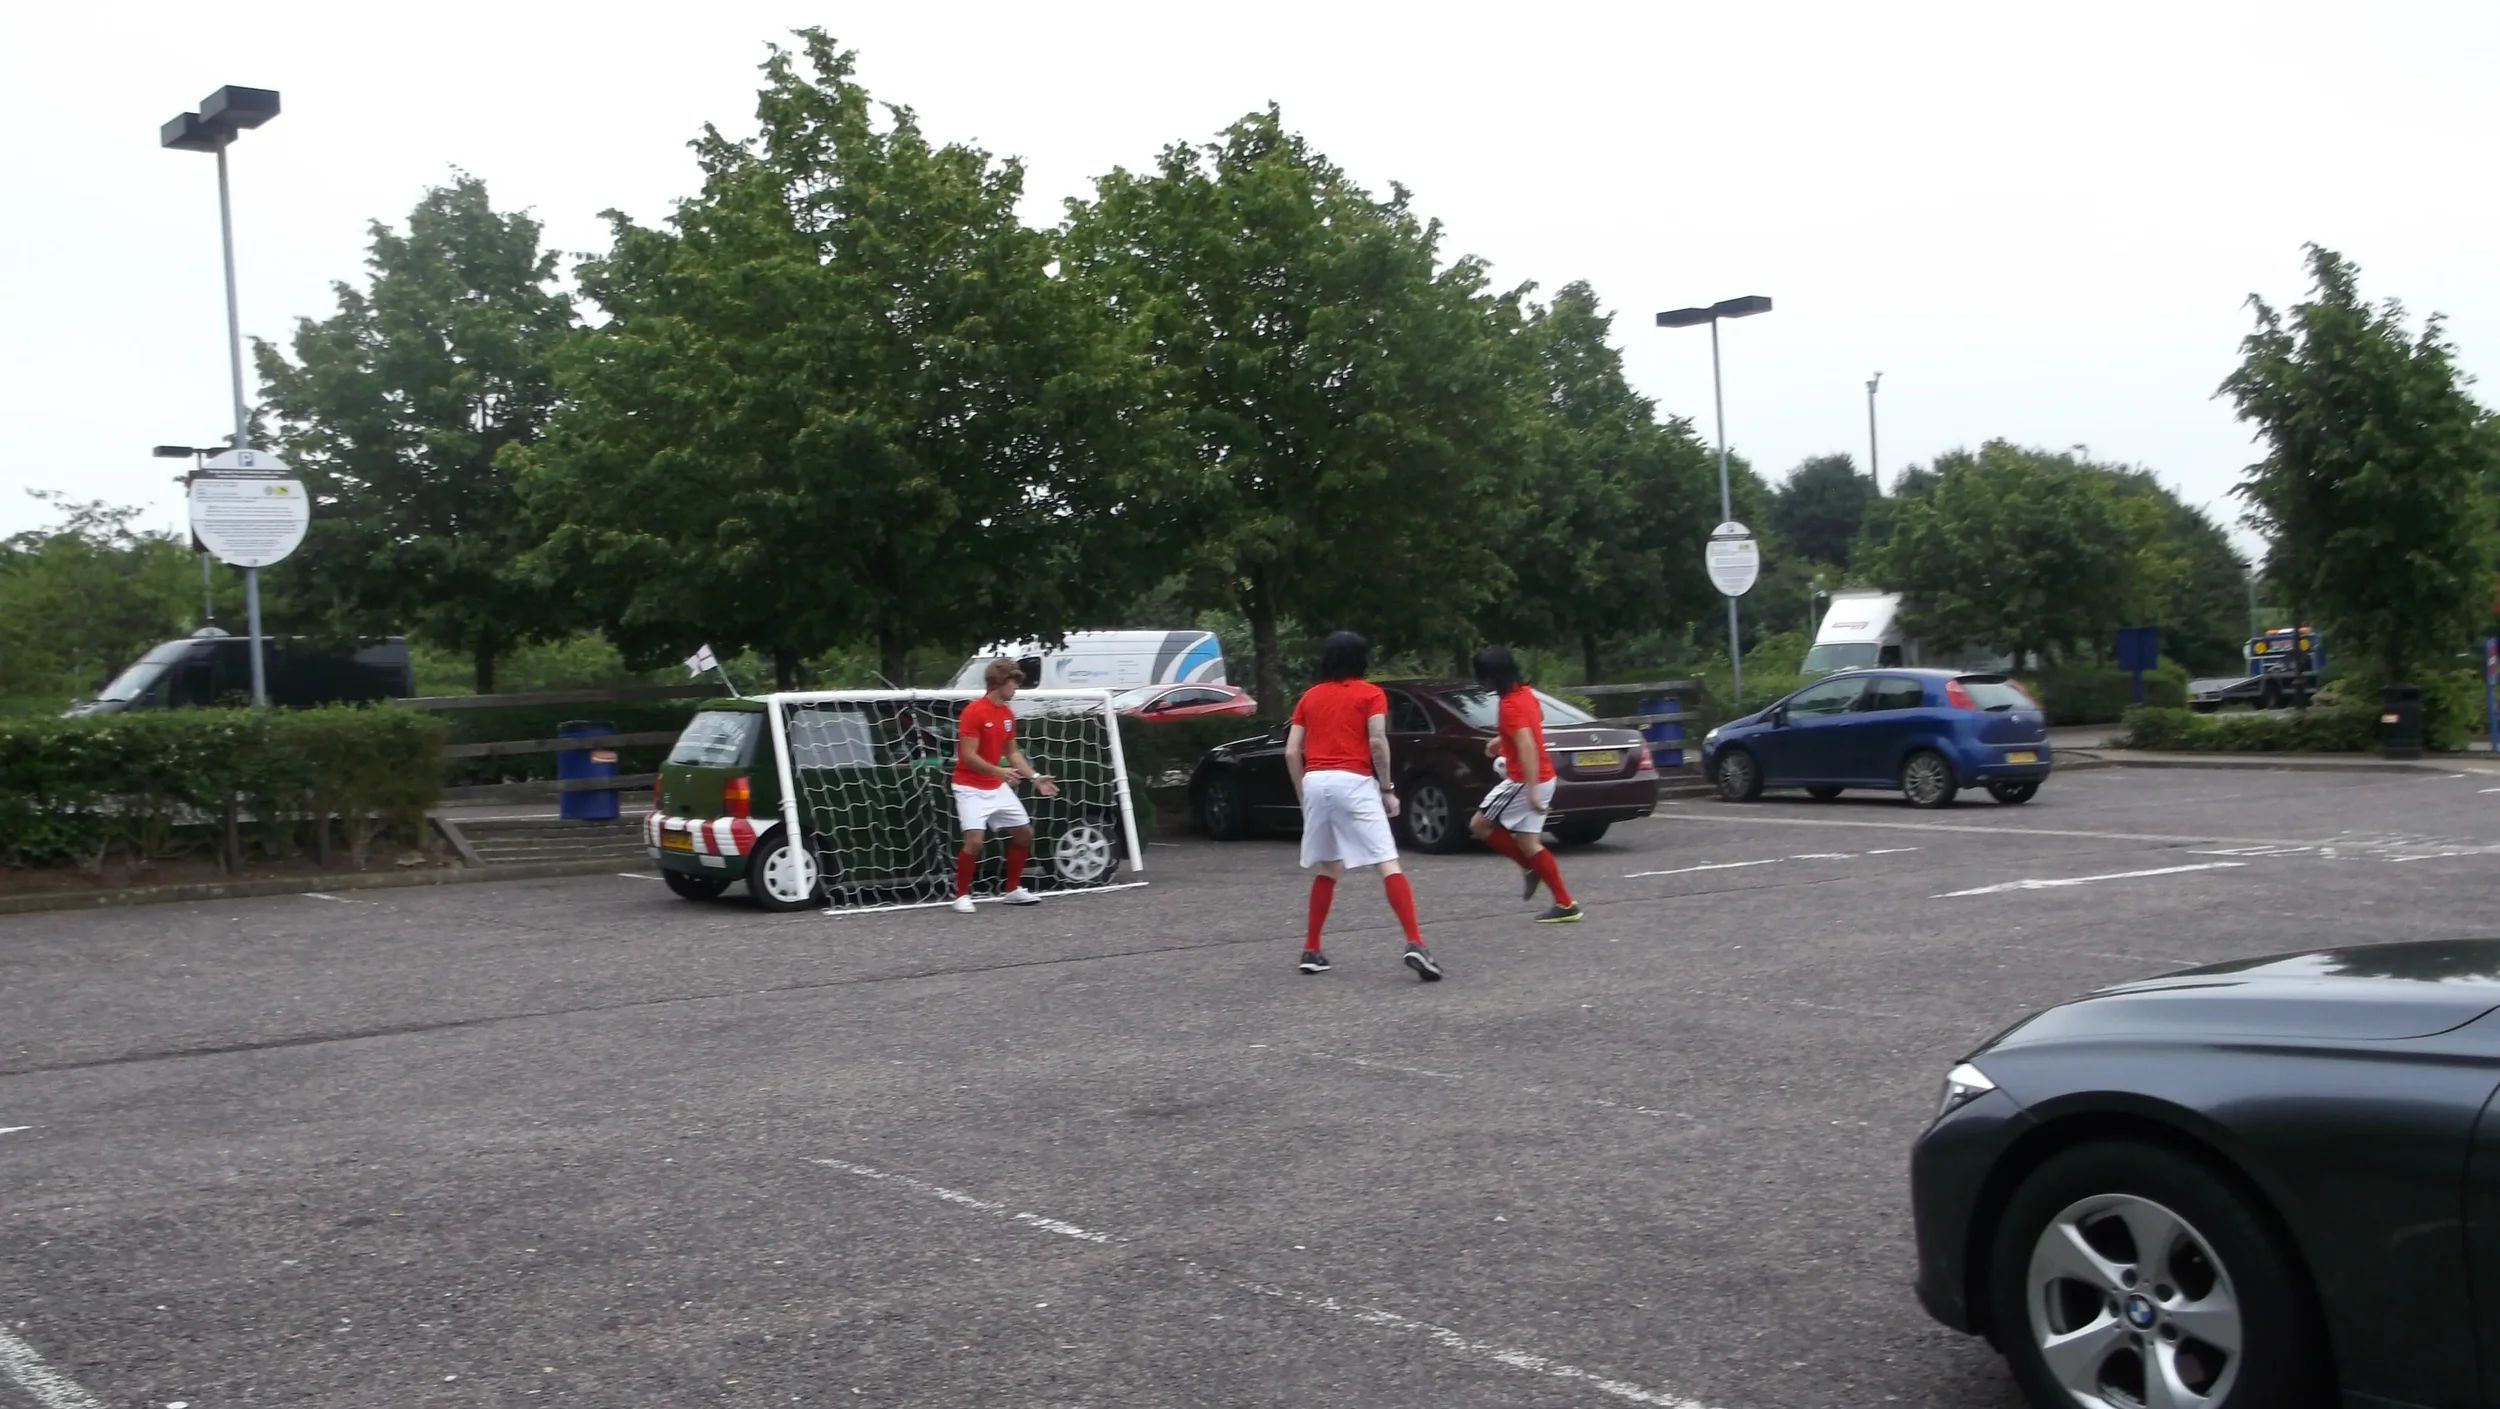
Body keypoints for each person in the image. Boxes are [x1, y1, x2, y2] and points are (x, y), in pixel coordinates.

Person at [1286, 630, 1442, 980]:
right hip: (1353, 780)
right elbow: (1376, 741)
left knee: (1329, 867)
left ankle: (1312, 949)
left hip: (1315, 781)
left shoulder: (1308, 698)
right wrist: (1387, 788)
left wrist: (1302, 793)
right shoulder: (1371, 694)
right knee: (1387, 862)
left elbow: (1291, 751)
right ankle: (1415, 943)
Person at [1466, 645, 1583, 923]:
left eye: (1483, 677)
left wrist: (1530, 790)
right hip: (1545, 776)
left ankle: (1531, 871)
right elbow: (1536, 721)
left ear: (1491, 677)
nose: (1481, 682)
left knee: (1479, 825)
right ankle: (1566, 904)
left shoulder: (1508, 705)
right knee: (1530, 842)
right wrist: (1502, 740)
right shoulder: (1526, 694)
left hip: (1524, 779)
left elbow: (1527, 745)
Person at [950, 658, 1058, 914]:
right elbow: (968, 756)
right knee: (974, 842)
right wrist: (998, 771)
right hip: (969, 787)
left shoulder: (1008, 715)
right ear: (999, 683)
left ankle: (1012, 891)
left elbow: (1013, 753)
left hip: (995, 786)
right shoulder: (973, 712)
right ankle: (961, 895)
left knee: (1024, 834)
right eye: (1014, 682)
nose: (1016, 688)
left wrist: (1034, 777)